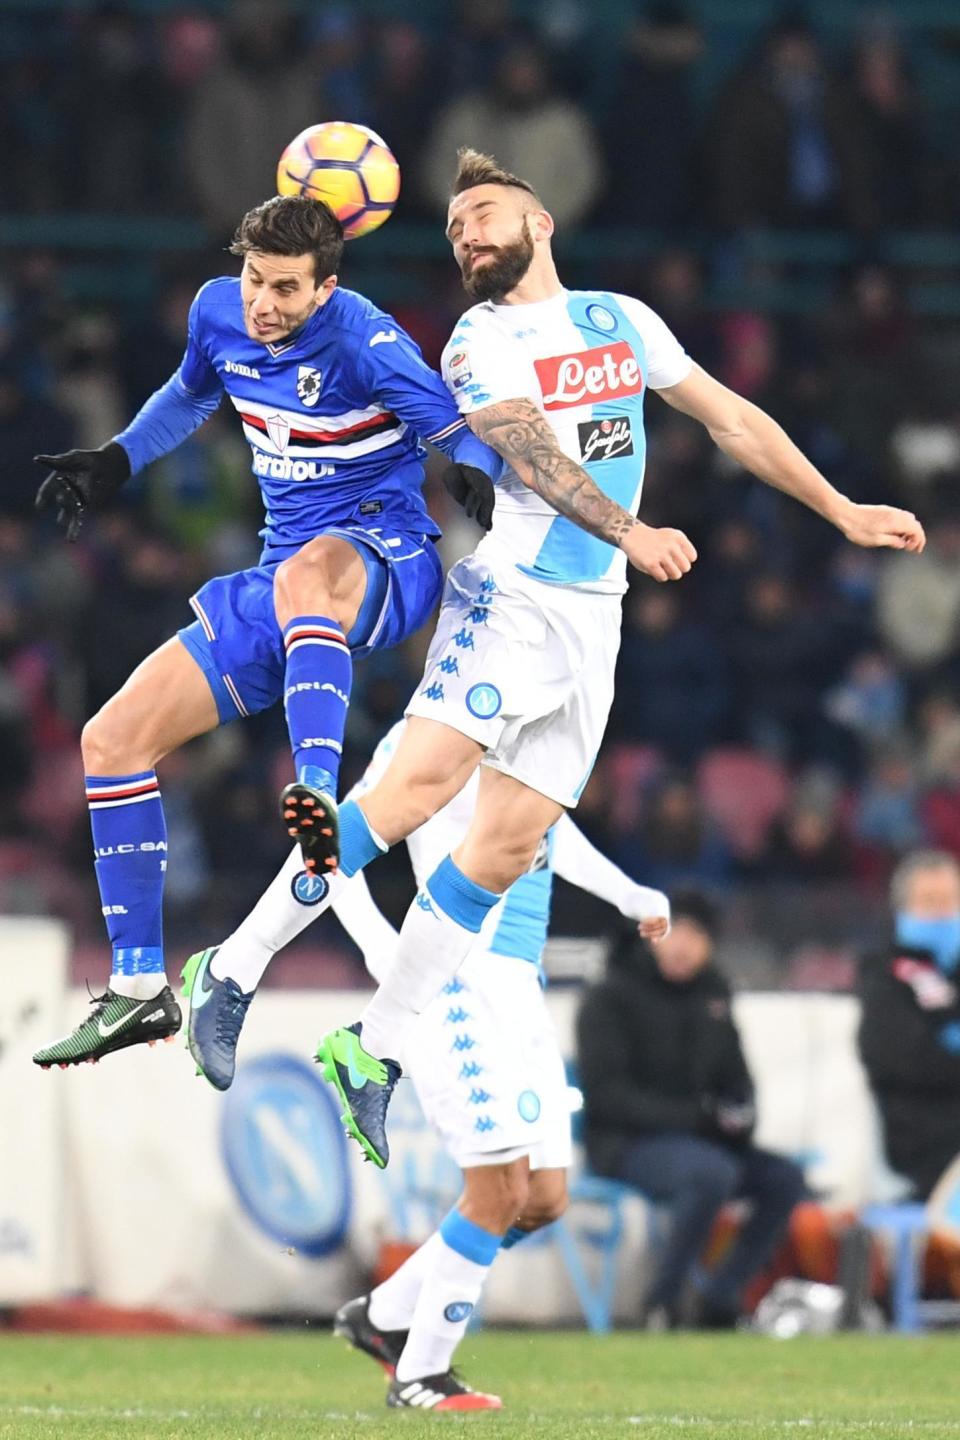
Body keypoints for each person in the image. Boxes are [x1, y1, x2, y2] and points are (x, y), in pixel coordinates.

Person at [197, 147, 924, 1172]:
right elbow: (524, 441)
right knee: (411, 792)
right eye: (454, 229)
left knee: (498, 855)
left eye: (483, 215)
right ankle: (230, 970)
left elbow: (729, 418)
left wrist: (839, 508)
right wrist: (627, 526)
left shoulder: (618, 320)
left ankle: (376, 1048)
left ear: (539, 222)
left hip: (596, 621)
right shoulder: (475, 341)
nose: (466, 234)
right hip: (516, 595)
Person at [30, 194, 501, 1070]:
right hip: (282, 577)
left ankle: (314, 794)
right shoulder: (217, 311)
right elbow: (187, 395)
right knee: (113, 738)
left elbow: (458, 434)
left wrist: (469, 476)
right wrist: (119, 458)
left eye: (286, 287)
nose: (263, 303)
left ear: (327, 287)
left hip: (384, 555)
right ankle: (139, 991)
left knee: (308, 572)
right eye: (255, 279)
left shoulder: (367, 339)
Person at [191, 719, 668, 1407]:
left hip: (521, 987)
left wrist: (628, 895)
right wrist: (381, 949)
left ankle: (383, 1317)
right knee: (499, 1190)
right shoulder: (435, 729)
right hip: (456, 983)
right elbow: (329, 849)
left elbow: (546, 830)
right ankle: (422, 1372)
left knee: (542, 1199)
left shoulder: (535, 719)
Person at [577, 891, 806, 1327]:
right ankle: (662, 1303)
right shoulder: (610, 996)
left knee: (784, 1179)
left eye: (696, 934)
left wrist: (741, 1115)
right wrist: (695, 1118)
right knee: (711, 1172)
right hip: (627, 1145)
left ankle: (721, 1296)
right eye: (673, 930)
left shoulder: (714, 995)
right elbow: (609, 1097)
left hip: (704, 1143)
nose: (684, 945)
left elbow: (737, 1078)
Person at [858, 850, 960, 1200]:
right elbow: (902, 1059)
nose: (942, 913)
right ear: (903, 908)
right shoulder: (884, 975)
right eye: (929, 902)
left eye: (950, 901)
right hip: (919, 1130)